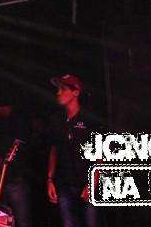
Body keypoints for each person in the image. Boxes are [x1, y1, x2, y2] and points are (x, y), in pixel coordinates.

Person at [46, 74, 98, 227]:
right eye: (58, 89)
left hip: (85, 184)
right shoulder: (56, 120)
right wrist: (50, 179)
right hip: (64, 185)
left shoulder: (88, 119)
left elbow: (100, 154)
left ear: (76, 92)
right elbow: (54, 150)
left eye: (63, 89)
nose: (58, 92)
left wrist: (93, 182)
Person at [0, 93, 32, 227]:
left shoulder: (19, 122)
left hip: (15, 178)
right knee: (1, 221)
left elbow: (22, 145)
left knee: (22, 220)